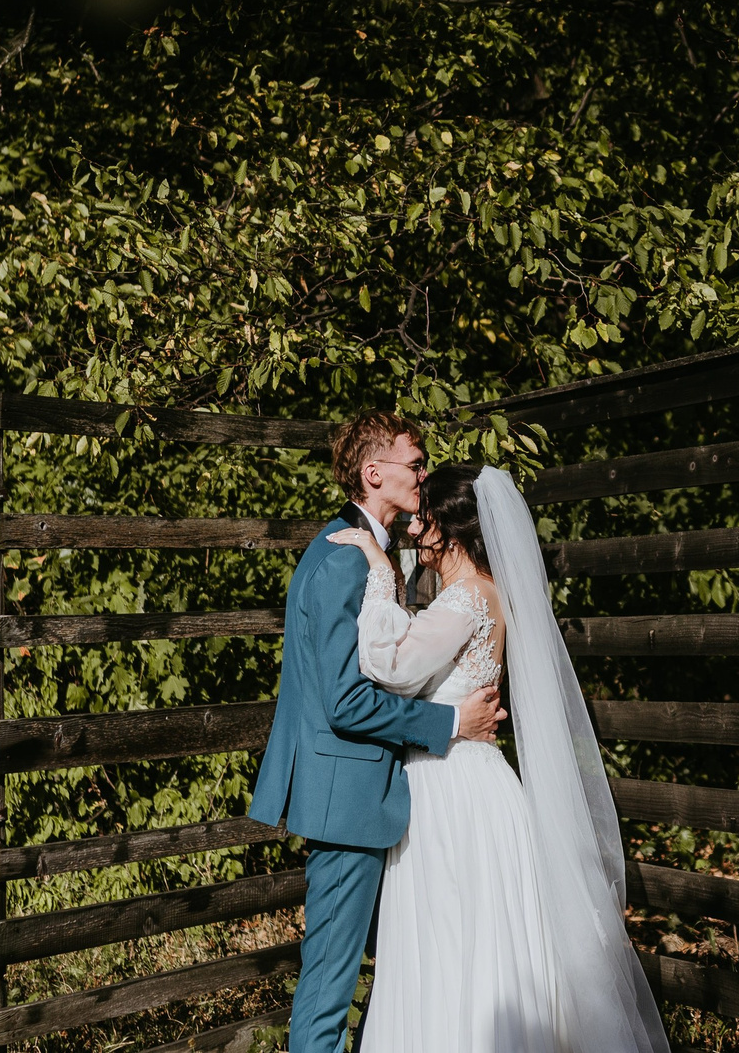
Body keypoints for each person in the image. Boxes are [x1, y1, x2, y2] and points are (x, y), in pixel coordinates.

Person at [326, 461, 672, 1053]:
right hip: (476, 781)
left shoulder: (464, 600)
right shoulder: (486, 594)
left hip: (451, 791)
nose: (413, 530)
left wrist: (380, 572)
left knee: (449, 942)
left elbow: (389, 665)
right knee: (476, 939)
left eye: (424, 521)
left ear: (450, 531)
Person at [248, 412, 506, 1053]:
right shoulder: (347, 558)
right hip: (348, 803)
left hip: (373, 801)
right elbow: (344, 701)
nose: (423, 474)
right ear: (373, 473)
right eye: (414, 464)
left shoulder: (372, 552)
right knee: (327, 996)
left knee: (404, 974)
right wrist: (451, 721)